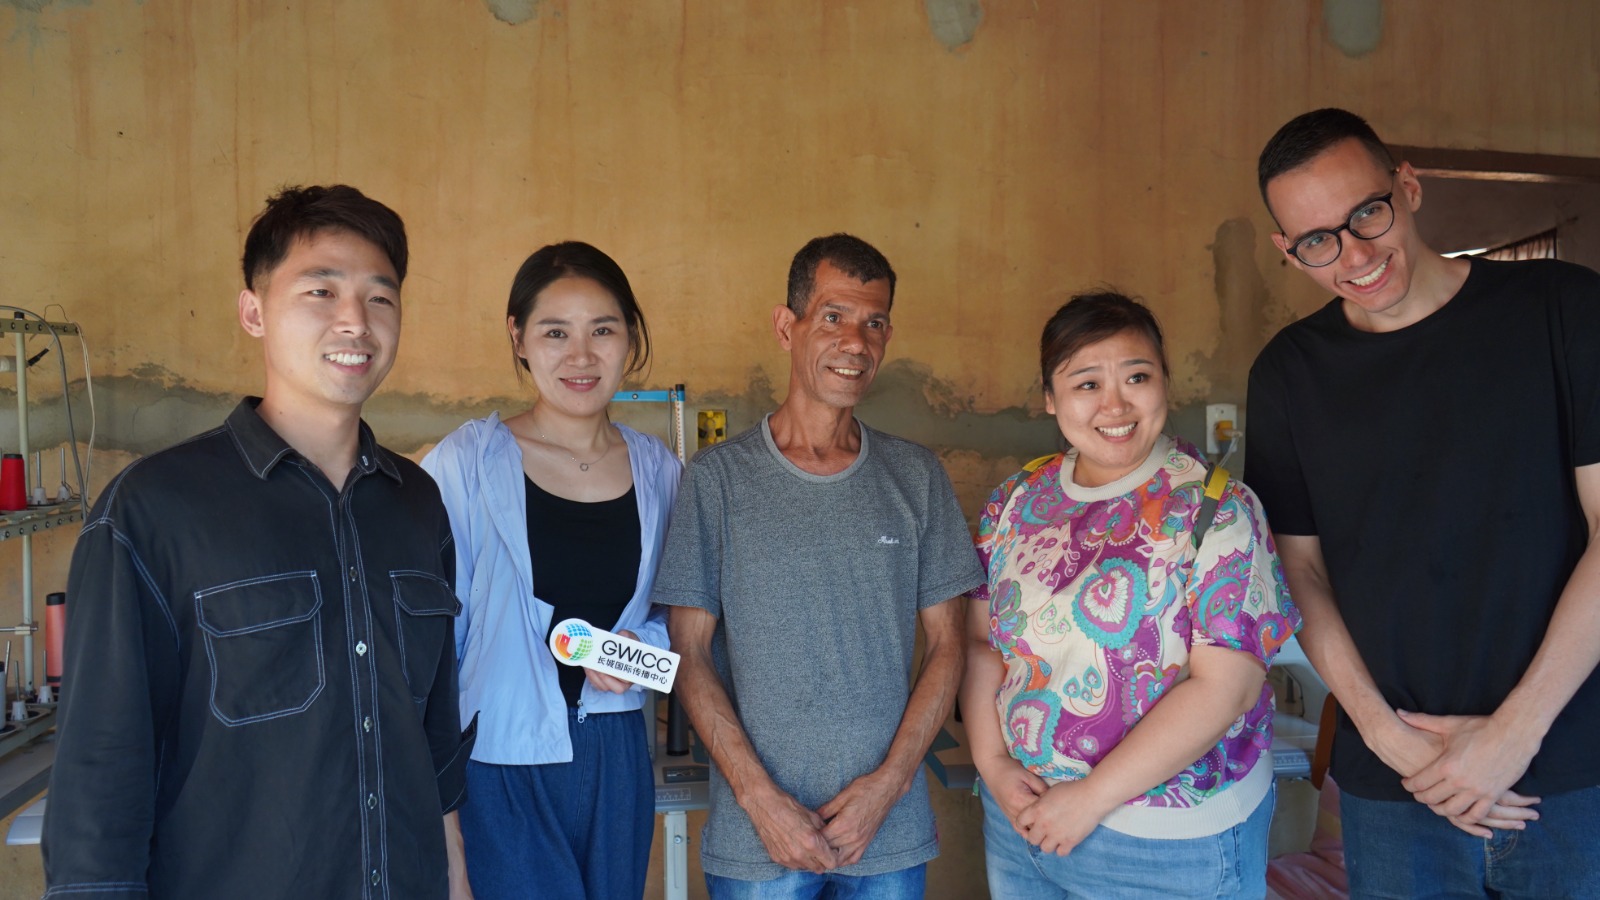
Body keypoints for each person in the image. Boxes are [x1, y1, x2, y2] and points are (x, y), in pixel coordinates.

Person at [42, 185, 474, 899]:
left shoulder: (416, 504)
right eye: (320, 292)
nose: (355, 322)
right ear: (253, 311)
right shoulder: (155, 509)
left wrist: (455, 882)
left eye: (380, 298)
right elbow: (101, 766)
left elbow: (432, 739)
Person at [1247, 107, 1600, 897]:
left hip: (1576, 768)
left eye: (1366, 214)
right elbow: (1297, 569)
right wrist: (1385, 735)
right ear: (1288, 250)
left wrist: (1515, 734)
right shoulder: (1289, 374)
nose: (1355, 255)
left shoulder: (1563, 307)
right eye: (1317, 241)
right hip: (1397, 787)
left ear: (1407, 187)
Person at [653, 234, 981, 899]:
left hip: (887, 833)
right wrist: (761, 801)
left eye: (874, 321)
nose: (856, 341)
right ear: (787, 326)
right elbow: (689, 651)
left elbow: (950, 646)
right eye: (833, 315)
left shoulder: (915, 476)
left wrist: (888, 787)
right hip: (758, 839)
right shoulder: (717, 481)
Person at [962, 291, 1300, 899]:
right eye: (1086, 383)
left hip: (1168, 846)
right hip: (1020, 820)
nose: (1114, 405)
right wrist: (995, 766)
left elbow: (1227, 686)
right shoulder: (1015, 501)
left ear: (1165, 381)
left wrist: (1089, 798)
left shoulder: (1217, 509)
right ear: (1050, 397)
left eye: (1136, 376)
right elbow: (983, 642)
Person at [419, 241, 680, 900]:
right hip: (498, 758)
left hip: (619, 754)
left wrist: (640, 652)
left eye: (603, 330)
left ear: (631, 338)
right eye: (555, 332)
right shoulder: (466, 466)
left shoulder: (662, 474)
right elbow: (426, 641)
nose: (581, 355)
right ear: (519, 338)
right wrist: (438, 801)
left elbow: (683, 621)